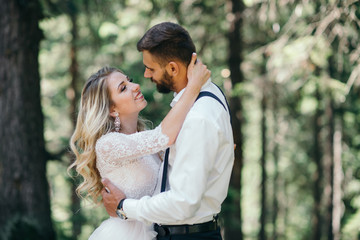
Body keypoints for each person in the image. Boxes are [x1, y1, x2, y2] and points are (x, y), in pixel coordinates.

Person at [101, 22, 234, 240]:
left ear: (173, 68)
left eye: (151, 68)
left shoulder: (198, 117)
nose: (144, 75)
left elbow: (183, 203)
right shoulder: (209, 94)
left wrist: (124, 206)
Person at [69, 53, 210, 240]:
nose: (135, 86)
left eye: (130, 81)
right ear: (112, 109)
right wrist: (194, 86)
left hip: (158, 231)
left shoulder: (140, 139)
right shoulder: (108, 144)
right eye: (123, 88)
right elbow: (163, 136)